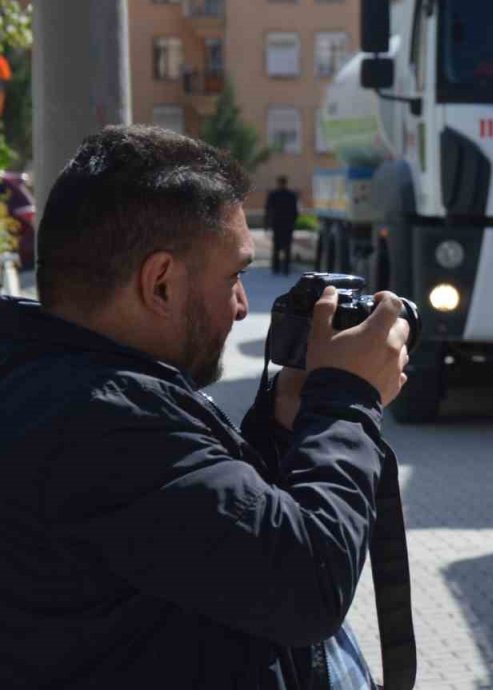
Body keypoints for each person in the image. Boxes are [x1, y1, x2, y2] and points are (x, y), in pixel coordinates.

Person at [0, 127, 410, 688]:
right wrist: (347, 400)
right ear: (161, 284)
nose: (244, 307)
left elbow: (206, 536)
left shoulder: (56, 378)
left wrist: (286, 423)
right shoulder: (103, 419)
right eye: (235, 276)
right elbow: (305, 586)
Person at [265, 175, 300, 275]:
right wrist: (293, 222)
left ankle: (276, 268)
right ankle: (285, 268)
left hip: (277, 224)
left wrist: (267, 224)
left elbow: (268, 210)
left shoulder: (274, 194)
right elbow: (295, 211)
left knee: (277, 246)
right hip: (287, 224)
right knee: (286, 247)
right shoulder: (291, 195)